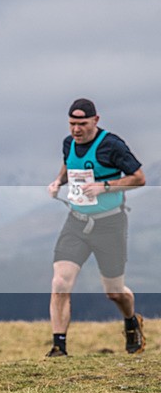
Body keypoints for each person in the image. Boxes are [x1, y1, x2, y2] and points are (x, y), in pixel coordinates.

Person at [46, 98, 146, 357]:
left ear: (96, 120)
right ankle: (59, 346)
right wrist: (57, 181)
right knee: (60, 283)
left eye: (82, 124)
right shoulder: (69, 143)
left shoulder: (112, 145)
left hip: (110, 224)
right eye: (72, 124)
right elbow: (69, 165)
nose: (76, 130)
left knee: (114, 292)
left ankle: (131, 321)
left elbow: (139, 178)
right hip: (76, 222)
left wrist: (106, 186)